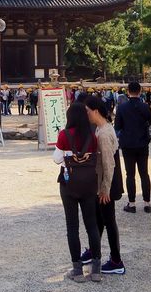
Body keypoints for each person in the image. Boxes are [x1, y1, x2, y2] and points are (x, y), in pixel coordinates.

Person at [53, 102, 101, 282]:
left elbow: (57, 159)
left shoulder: (64, 135)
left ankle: (77, 270)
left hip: (69, 185)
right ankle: (96, 269)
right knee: (92, 225)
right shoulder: (92, 135)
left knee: (72, 227)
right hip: (89, 184)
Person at [85, 96, 125, 275]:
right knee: (100, 219)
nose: (86, 114)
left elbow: (109, 163)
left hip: (106, 184)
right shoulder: (103, 129)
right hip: (103, 182)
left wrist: (105, 188)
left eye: (87, 111)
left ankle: (116, 260)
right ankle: (94, 250)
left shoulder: (105, 133)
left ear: (95, 111)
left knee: (108, 221)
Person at [115, 81, 151, 214]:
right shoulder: (145, 106)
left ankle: (131, 203)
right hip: (142, 142)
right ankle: (147, 203)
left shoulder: (122, 107)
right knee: (144, 173)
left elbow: (117, 126)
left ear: (128, 91)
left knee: (130, 174)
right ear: (140, 91)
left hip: (127, 144)